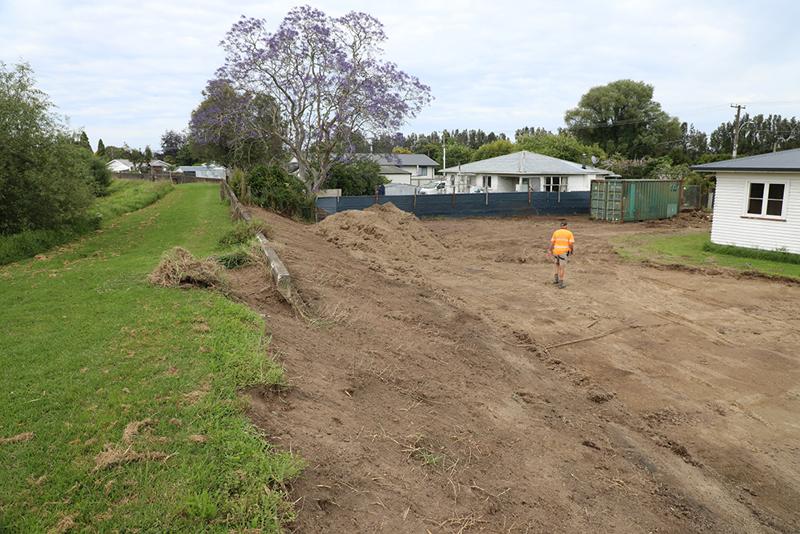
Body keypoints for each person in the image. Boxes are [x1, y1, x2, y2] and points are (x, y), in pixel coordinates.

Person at [547, 219, 574, 289]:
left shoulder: (556, 232)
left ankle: (556, 278)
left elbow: (552, 242)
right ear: (566, 226)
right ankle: (561, 282)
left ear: (560, 226)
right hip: (563, 252)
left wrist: (549, 250)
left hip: (556, 251)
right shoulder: (569, 233)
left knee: (557, 264)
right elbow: (571, 244)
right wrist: (572, 250)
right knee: (562, 267)